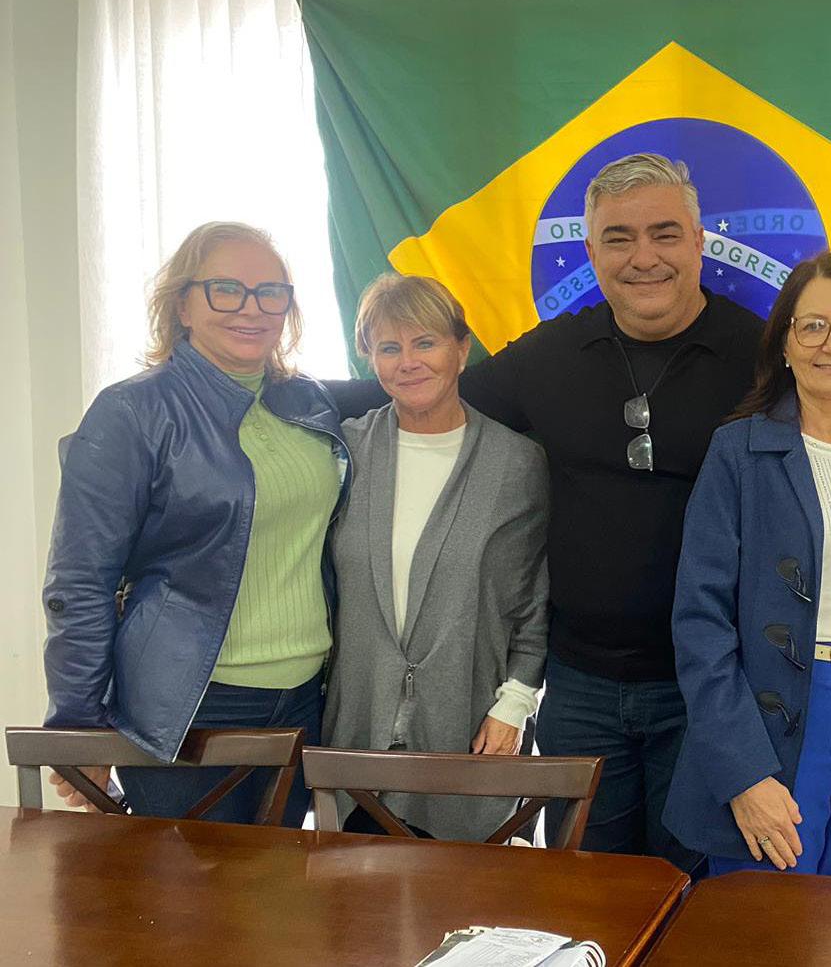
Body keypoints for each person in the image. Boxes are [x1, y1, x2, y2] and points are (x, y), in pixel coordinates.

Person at [330, 154, 762, 869]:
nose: (643, 257)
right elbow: (429, 388)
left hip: (711, 686)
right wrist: (280, 398)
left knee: (698, 893)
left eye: (664, 233)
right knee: (583, 889)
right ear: (590, 251)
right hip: (580, 687)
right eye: (618, 238)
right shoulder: (553, 353)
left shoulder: (764, 357)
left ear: (698, 240)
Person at [41, 221, 349, 825]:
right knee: (188, 888)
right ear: (182, 303)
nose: (251, 308)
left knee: (282, 883)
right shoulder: (132, 411)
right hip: (189, 705)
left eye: (270, 292)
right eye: (225, 289)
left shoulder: (308, 401)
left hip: (305, 698)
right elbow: (79, 581)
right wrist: (79, 725)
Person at [665, 251, 831, 877]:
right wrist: (742, 772)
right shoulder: (739, 452)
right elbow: (699, 623)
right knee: (765, 916)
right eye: (812, 326)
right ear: (784, 345)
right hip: (773, 721)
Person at [322, 273, 550, 840]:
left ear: (462, 349)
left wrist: (515, 703)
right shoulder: (345, 451)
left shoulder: (516, 463)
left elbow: (532, 598)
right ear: (370, 358)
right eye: (389, 347)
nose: (408, 363)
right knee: (350, 890)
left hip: (471, 730)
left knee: (459, 891)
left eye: (425, 343)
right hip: (357, 731)